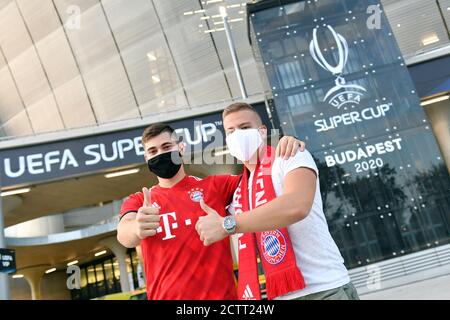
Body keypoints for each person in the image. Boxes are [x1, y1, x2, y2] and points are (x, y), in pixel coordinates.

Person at [116, 122, 304, 300]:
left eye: (167, 147)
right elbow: (124, 234)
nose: (160, 154)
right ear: (146, 158)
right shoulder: (139, 200)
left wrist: (286, 146)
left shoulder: (215, 186)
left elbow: (261, 177)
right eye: (153, 151)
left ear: (181, 148)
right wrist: (136, 228)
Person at [196, 102, 359, 300]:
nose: (237, 135)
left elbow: (297, 206)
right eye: (230, 131)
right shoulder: (239, 190)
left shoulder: (290, 156)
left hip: (324, 289)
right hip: (280, 295)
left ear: (262, 131)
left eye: (245, 127)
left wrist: (228, 224)